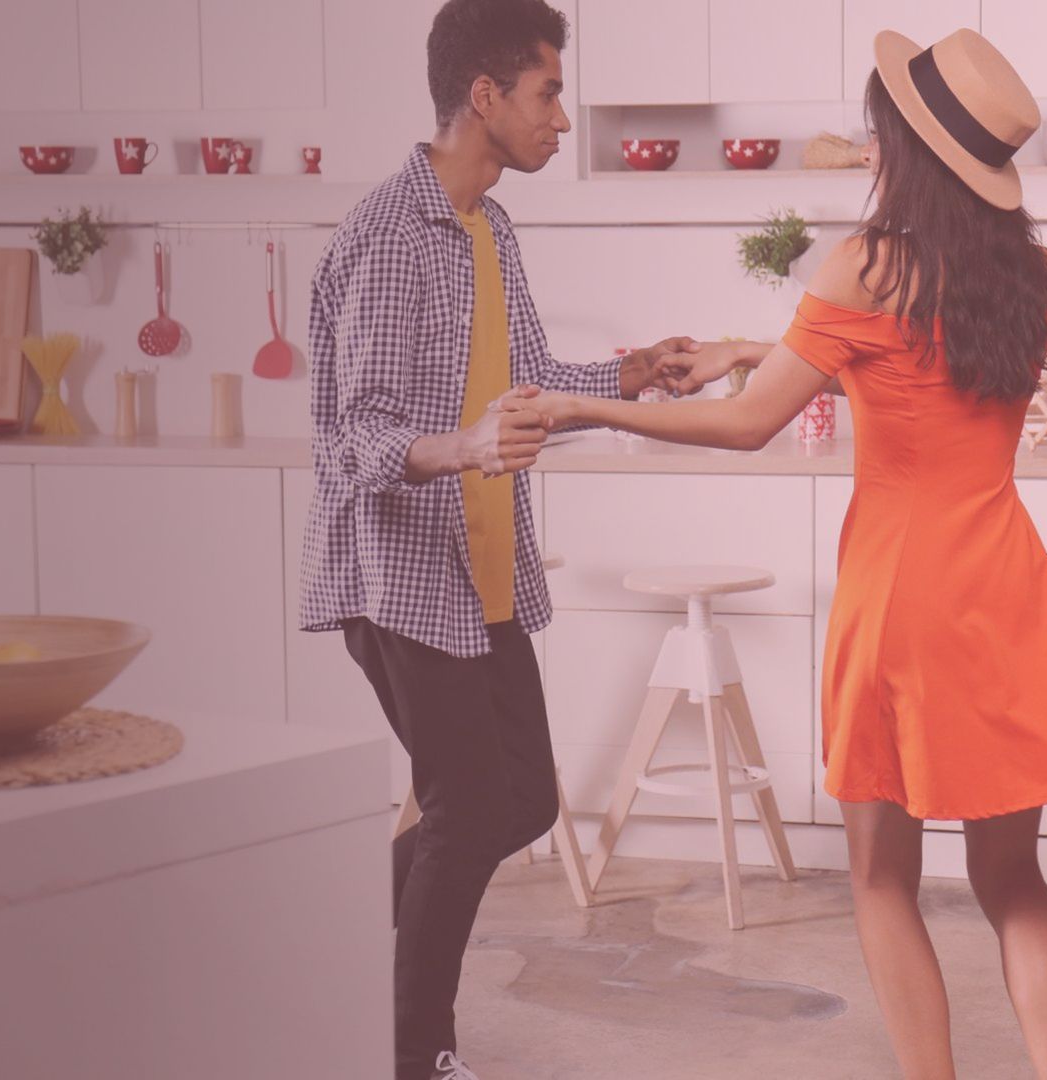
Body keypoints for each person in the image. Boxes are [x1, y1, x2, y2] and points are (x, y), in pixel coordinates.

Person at [527, 29, 1047, 1080]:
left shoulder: (863, 264)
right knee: (1011, 879)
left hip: (900, 598)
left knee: (882, 878)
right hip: (1004, 585)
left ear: (903, 144)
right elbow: (929, 377)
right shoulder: (1037, 273)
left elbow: (751, 424)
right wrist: (769, 350)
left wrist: (583, 403)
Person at [297, 2, 759, 1077]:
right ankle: (419, 1054)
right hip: (400, 573)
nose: (563, 116)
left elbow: (530, 390)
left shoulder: (488, 227)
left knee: (522, 801)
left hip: (480, 568)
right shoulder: (383, 236)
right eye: (549, 92)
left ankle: (321, 930)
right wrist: (462, 447)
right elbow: (348, 439)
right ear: (484, 96)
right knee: (465, 808)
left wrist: (633, 374)